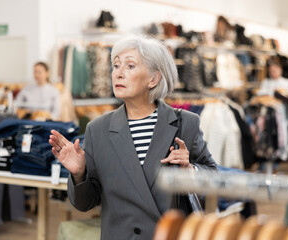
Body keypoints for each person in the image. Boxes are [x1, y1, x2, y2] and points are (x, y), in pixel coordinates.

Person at [49, 36, 217, 240]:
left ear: (153, 79)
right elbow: (85, 203)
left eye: (130, 66)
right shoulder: (98, 130)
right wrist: (79, 174)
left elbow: (212, 178)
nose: (118, 73)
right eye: (116, 65)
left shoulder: (185, 124)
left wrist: (189, 170)